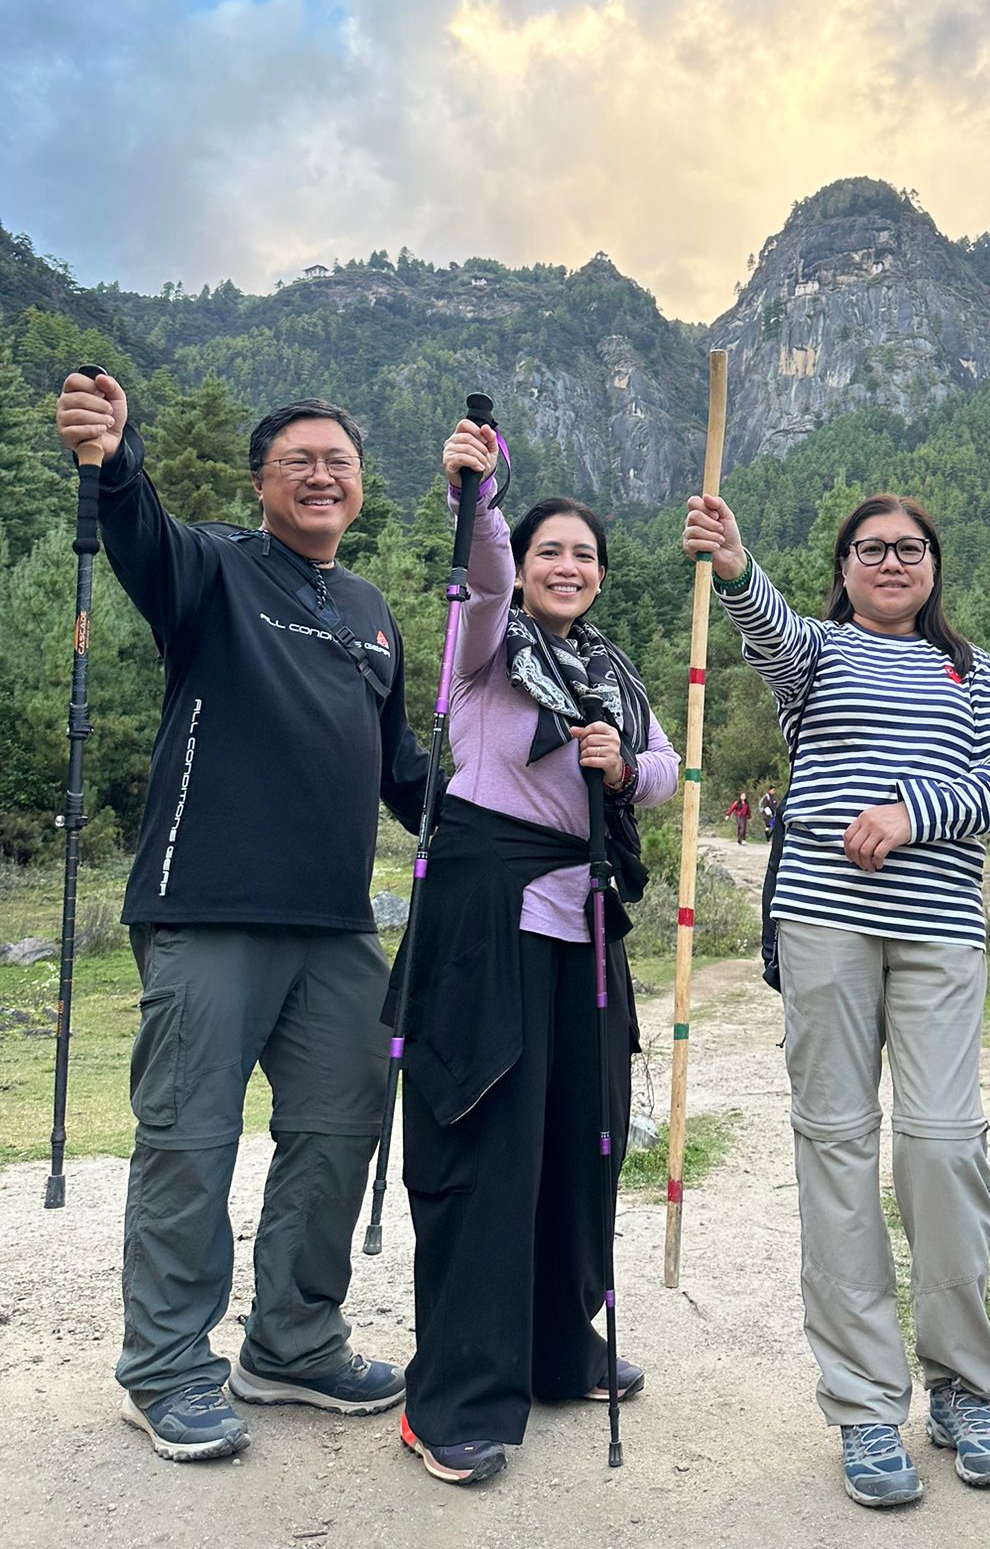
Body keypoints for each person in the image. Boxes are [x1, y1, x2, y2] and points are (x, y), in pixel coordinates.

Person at [54, 373, 430, 1464]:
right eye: (300, 460)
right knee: (189, 1135)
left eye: (341, 462)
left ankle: (294, 1341)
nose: (323, 475)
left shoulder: (370, 611)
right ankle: (167, 1368)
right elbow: (137, 528)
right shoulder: (212, 566)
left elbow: (409, 774)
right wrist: (115, 459)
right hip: (208, 903)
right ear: (261, 480)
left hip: (336, 923)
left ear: (362, 487)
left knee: (339, 1128)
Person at [682, 490, 990, 1509]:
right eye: (870, 548)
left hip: (940, 929)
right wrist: (737, 557)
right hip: (823, 924)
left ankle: (966, 1386)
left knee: (941, 1141)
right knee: (834, 1141)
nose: (891, 561)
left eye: (910, 547)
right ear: (841, 566)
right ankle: (863, 1403)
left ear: (934, 564)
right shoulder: (817, 657)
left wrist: (913, 812)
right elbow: (763, 621)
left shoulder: (970, 667)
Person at [394, 420, 679, 1486]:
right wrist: (482, 490)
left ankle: (564, 1347)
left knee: (581, 1135)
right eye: (552, 548)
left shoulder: (610, 670)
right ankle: (457, 1394)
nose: (569, 567)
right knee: (486, 1137)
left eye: (586, 555)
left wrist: (621, 768)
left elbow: (665, 768)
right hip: (486, 914)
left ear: (603, 576)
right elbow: (482, 570)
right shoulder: (485, 644)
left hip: (585, 918)